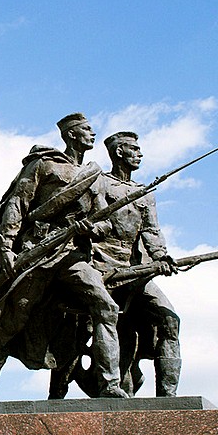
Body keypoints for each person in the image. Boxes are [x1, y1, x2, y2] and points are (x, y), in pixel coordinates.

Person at [0, 112, 127, 401]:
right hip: (38, 252)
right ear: (72, 134)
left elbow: (106, 221)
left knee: (105, 307)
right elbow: (17, 205)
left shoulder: (95, 176)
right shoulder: (44, 164)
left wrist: (92, 228)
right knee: (12, 321)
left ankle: (110, 383)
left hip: (73, 256)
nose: (93, 135)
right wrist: (6, 246)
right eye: (87, 130)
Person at [51, 131, 181, 398]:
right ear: (119, 152)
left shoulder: (144, 193)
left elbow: (151, 231)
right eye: (134, 149)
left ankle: (168, 400)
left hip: (134, 271)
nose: (140, 154)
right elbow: (81, 218)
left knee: (169, 320)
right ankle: (107, 387)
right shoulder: (98, 182)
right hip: (99, 266)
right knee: (96, 320)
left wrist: (161, 257)